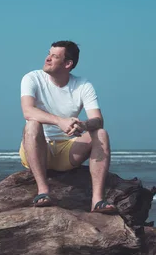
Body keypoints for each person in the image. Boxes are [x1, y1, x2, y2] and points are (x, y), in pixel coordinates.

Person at [19, 40, 117, 214]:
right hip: (38, 148)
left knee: (100, 133)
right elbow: (28, 111)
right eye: (48, 53)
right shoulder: (32, 78)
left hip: (68, 151)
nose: (47, 58)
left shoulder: (83, 85)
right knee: (32, 125)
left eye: (54, 56)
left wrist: (83, 124)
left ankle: (97, 200)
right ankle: (43, 192)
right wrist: (60, 121)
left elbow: (98, 120)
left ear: (68, 64)